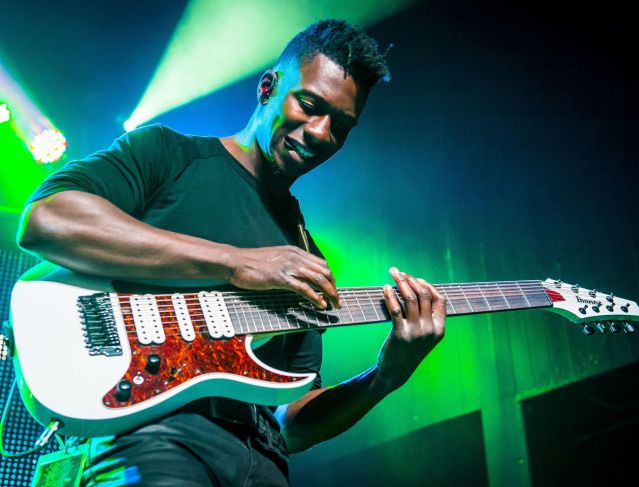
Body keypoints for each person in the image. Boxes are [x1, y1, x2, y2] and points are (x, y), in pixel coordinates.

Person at [18, 19, 446, 486]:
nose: (322, 132)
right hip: (154, 437)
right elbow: (48, 219)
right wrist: (236, 261)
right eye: (309, 104)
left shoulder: (304, 253)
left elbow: (290, 421)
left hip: (264, 466)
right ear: (268, 88)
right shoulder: (171, 154)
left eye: (340, 126)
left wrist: (385, 375)